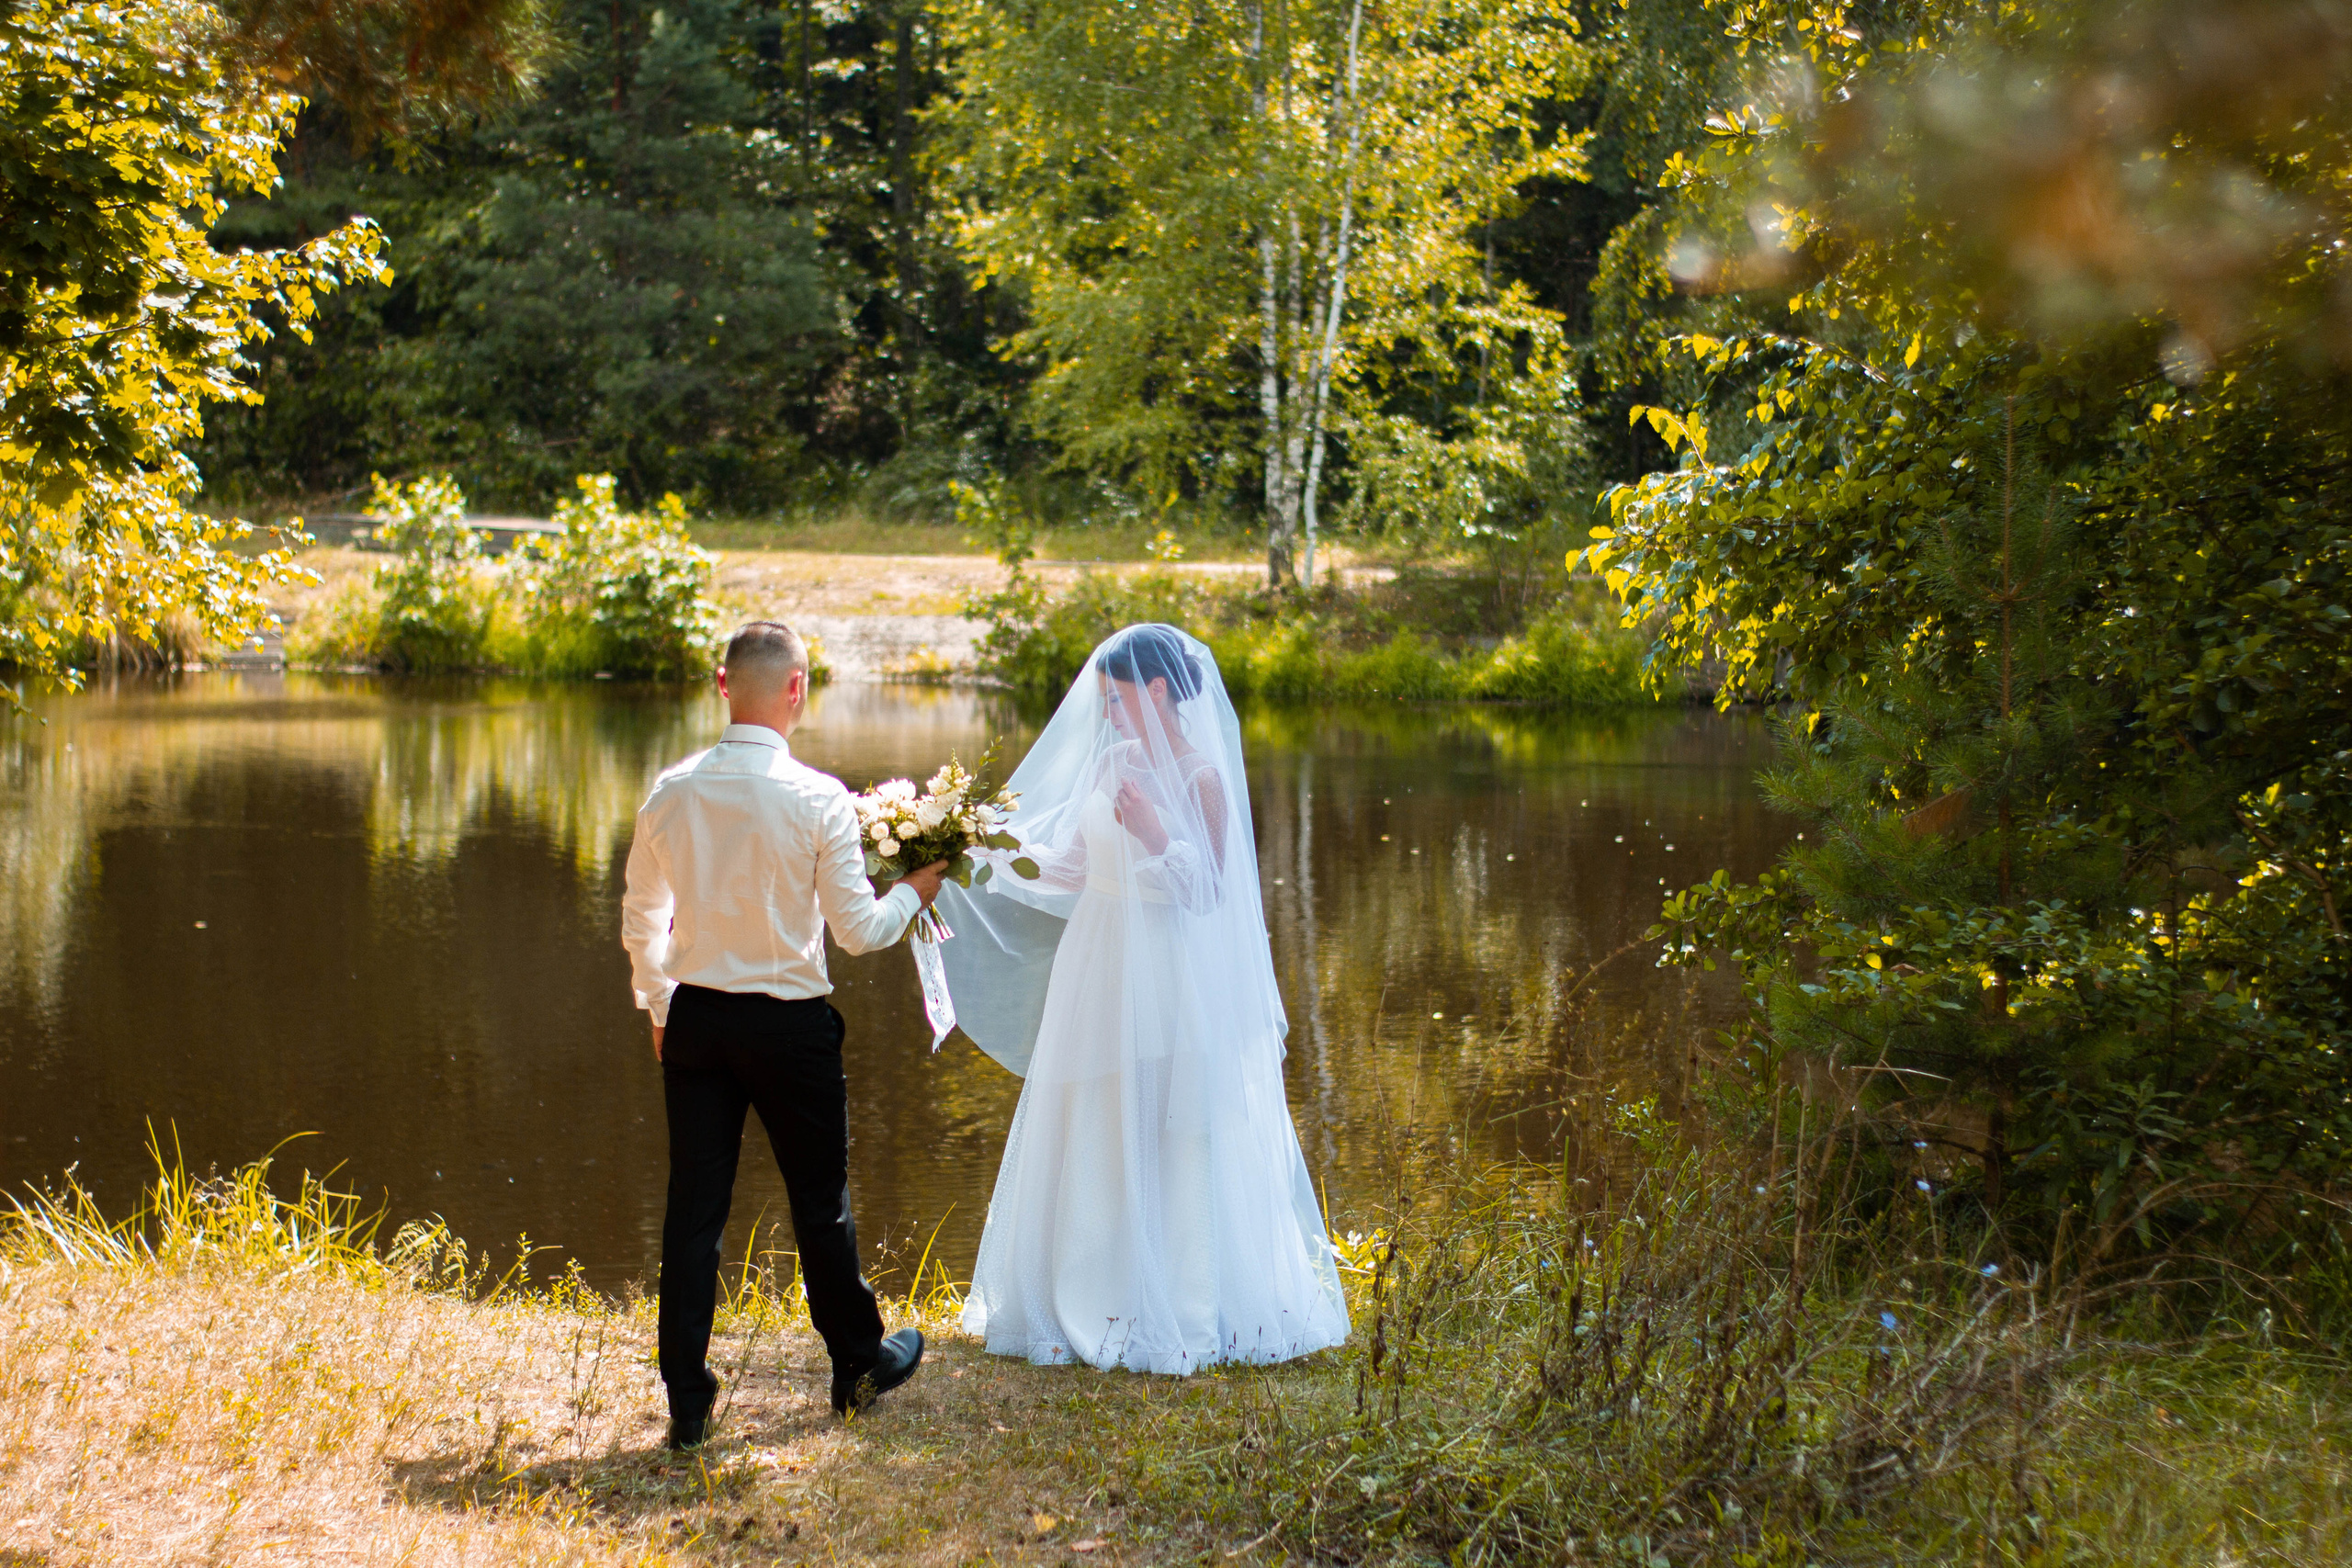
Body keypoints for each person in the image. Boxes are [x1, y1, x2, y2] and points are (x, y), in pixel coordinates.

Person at [934, 624, 1350, 1373]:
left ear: (1157, 691)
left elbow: (1208, 894)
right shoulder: (1113, 763)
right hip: (1095, 965)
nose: (1112, 715)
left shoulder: (1201, 779)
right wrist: (980, 856)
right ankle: (1079, 1295)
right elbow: (1066, 865)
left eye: (1119, 699)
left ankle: (1179, 1305)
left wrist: (1158, 834)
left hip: (1164, 972)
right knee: (1091, 1116)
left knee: (1166, 1126)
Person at [622, 620, 945, 1447]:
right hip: (791, 1026)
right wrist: (917, 886)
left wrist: (661, 1008)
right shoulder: (819, 798)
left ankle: (687, 1401)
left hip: (697, 1018)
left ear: (723, 685)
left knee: (693, 1211)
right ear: (797, 689)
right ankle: (856, 1364)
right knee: (818, 1202)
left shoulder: (670, 790)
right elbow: (862, 929)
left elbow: (640, 919)